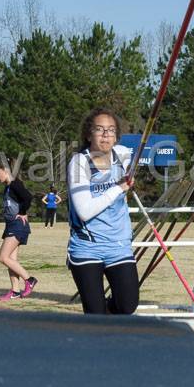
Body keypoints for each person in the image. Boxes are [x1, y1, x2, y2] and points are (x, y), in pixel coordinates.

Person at [66, 108, 139, 315]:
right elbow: (84, 211)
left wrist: (133, 171)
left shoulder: (123, 155)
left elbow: (142, 151)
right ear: (89, 134)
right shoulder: (79, 163)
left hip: (118, 245)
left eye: (111, 130)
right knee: (95, 314)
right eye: (100, 129)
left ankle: (109, 320)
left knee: (127, 306)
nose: (106, 135)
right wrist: (118, 187)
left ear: (116, 136)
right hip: (87, 247)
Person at [0, 162, 37, 302]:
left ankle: (29, 279)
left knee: (3, 257)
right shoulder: (7, 187)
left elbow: (28, 198)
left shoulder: (15, 184)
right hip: (10, 225)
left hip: (18, 225)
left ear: (5, 171)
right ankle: (15, 291)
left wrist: (23, 212)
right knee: (11, 260)